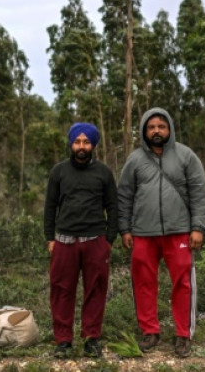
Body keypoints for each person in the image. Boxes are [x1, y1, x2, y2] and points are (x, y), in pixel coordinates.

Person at [117, 107, 205, 358]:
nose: (156, 131)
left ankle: (183, 334)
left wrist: (198, 227)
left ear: (169, 128)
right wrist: (124, 228)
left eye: (161, 126)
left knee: (182, 283)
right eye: (151, 127)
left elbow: (199, 194)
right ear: (144, 131)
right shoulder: (135, 160)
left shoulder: (186, 156)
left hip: (179, 231)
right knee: (144, 283)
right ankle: (149, 331)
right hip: (143, 234)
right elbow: (124, 195)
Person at [44, 122, 118, 358]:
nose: (81, 146)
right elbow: (50, 206)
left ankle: (91, 338)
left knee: (95, 289)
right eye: (77, 141)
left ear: (93, 144)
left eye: (86, 142)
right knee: (61, 290)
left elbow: (113, 206)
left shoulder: (104, 173)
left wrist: (109, 239)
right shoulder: (59, 171)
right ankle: (63, 340)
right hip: (64, 240)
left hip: (95, 239)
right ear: (71, 143)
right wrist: (50, 237)